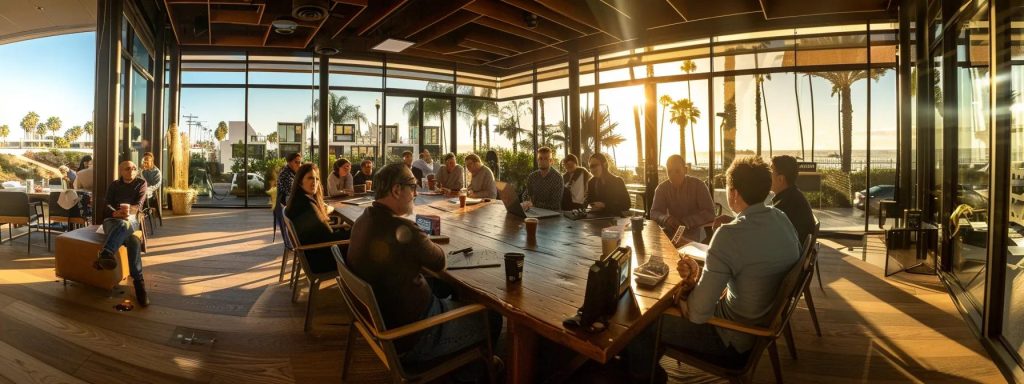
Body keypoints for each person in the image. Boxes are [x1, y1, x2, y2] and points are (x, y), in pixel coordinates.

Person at [625, 157, 801, 382]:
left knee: (641, 322)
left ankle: (650, 377)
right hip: (760, 327)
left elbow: (697, 314)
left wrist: (680, 298)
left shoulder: (730, 235)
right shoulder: (782, 219)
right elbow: (753, 267)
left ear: (734, 193)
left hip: (730, 339)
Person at [346, 163, 501, 378]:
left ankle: (466, 361)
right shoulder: (404, 230)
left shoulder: (363, 220)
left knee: (446, 286)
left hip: (384, 322)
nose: (416, 193)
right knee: (492, 316)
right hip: (416, 337)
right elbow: (439, 261)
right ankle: (480, 369)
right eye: (412, 187)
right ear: (396, 190)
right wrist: (420, 236)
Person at [92, 160, 150, 306]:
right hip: (112, 221)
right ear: (121, 171)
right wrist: (115, 213)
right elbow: (106, 205)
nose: (131, 171)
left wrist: (129, 212)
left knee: (126, 225)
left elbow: (139, 205)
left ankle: (105, 253)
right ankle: (139, 285)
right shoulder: (114, 185)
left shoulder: (141, 183)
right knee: (133, 241)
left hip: (132, 221)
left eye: (134, 168)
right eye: (127, 169)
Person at [285, 163, 350, 275]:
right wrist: (355, 231)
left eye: (317, 178)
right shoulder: (306, 206)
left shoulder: (300, 200)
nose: (314, 182)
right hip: (322, 260)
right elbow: (329, 238)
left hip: (315, 254)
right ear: (300, 180)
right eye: (310, 178)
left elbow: (322, 233)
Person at [650, 155, 716, 243]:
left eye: (677, 171)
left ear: (685, 170)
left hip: (695, 235)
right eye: (669, 171)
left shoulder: (698, 186)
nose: (673, 175)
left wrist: (686, 222)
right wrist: (666, 219)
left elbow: (710, 213)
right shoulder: (662, 188)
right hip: (671, 233)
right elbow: (654, 213)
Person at [770, 155, 816, 245]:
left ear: (780, 179)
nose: (768, 176)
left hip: (790, 256)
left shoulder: (785, 206)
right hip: (798, 252)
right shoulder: (794, 196)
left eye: (771, 171)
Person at [523, 147, 562, 211]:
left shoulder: (557, 178)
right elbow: (526, 193)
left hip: (552, 215)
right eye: (540, 158)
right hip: (534, 211)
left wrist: (534, 204)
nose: (542, 161)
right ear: (537, 160)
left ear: (551, 161)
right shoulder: (532, 176)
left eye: (546, 158)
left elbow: (554, 204)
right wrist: (526, 202)